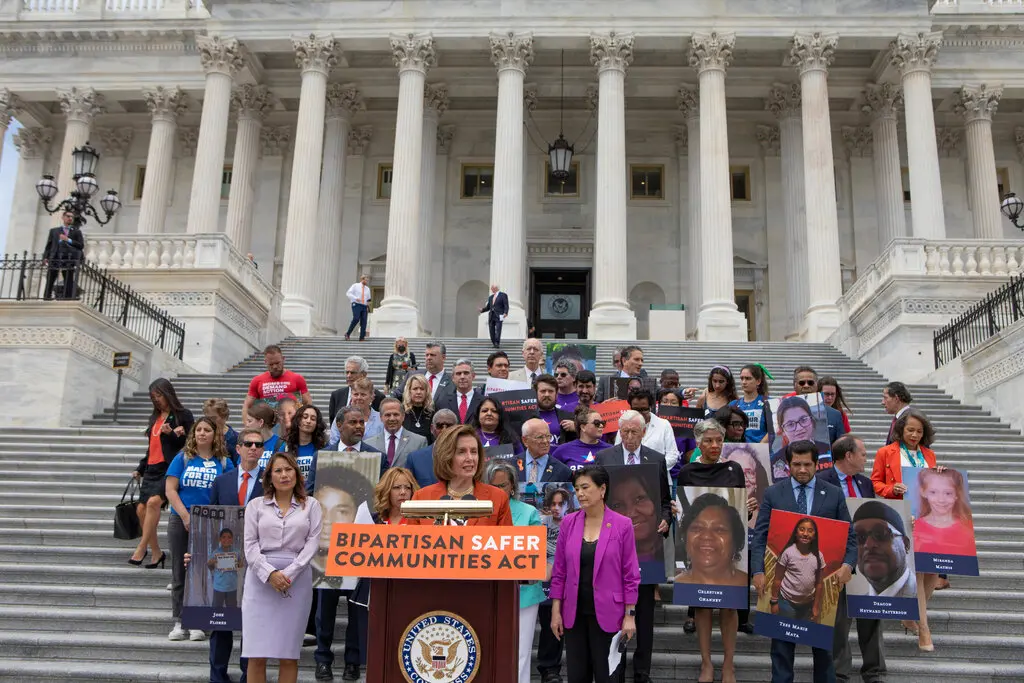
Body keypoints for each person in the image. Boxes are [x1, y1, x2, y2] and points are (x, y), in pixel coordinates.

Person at [752, 441, 857, 683]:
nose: (802, 469)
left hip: (822, 589)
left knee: (824, 652)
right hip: (784, 590)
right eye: (796, 464)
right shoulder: (773, 493)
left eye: (807, 464)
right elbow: (760, 537)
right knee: (781, 650)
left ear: (816, 464)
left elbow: (850, 538)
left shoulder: (833, 493)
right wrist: (757, 570)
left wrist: (848, 566)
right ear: (788, 465)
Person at [596, 410, 671, 683]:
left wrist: (665, 519)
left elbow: (664, 499)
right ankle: (616, 668)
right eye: (625, 431)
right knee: (617, 611)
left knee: (645, 616)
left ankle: (642, 672)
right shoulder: (605, 458)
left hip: (646, 552)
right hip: (612, 548)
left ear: (643, 432)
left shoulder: (657, 459)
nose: (629, 437)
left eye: (634, 432)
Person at [549, 465, 640, 683]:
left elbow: (630, 574)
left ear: (602, 489)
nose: (580, 493)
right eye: (577, 488)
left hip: (611, 615)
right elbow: (560, 570)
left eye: (585, 487)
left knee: (608, 676)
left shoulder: (622, 525)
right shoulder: (569, 522)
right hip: (574, 614)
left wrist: (630, 615)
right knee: (577, 676)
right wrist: (555, 611)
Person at [677, 419, 752, 683]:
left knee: (730, 608)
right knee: (702, 607)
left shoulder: (734, 469)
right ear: (698, 443)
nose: (714, 445)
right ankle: (706, 663)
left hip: (727, 551)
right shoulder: (687, 471)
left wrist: (748, 508)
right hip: (701, 553)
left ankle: (728, 665)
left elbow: (740, 510)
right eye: (708, 440)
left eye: (719, 440)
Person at [242, 452, 322, 683]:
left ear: (297, 473)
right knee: (256, 654)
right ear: (269, 477)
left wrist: (288, 574)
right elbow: (249, 546)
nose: (284, 475)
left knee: (289, 654)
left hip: (296, 582)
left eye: (288, 469)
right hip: (259, 582)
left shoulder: (312, 505)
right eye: (278, 470)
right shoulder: (255, 506)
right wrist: (270, 574)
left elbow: (312, 544)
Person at [870, 407, 942, 648]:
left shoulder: (929, 455)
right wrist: (893, 489)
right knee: (918, 572)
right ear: (900, 430)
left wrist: (940, 474)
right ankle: (924, 628)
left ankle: (909, 613)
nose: (914, 434)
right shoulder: (885, 452)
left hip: (928, 517)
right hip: (901, 516)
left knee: (932, 571)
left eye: (919, 431)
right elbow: (876, 483)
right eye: (910, 429)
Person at [203, 427, 265, 683]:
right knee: (221, 623)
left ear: (262, 451)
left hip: (257, 562)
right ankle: (217, 676)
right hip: (226, 561)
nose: (253, 448)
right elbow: (207, 522)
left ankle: (247, 676)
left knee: (251, 623)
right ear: (237, 448)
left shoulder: (269, 483)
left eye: (258, 444)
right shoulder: (222, 481)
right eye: (248, 443)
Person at [166, 417, 235, 641]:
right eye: (198, 430)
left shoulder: (224, 462)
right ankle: (180, 621)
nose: (202, 433)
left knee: (205, 571)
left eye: (207, 430)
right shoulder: (183, 458)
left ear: (215, 435)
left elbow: (229, 491)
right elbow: (170, 490)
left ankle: (198, 620)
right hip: (181, 519)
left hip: (211, 522)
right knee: (180, 571)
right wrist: (186, 516)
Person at [311, 462, 377, 681]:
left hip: (355, 555)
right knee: (324, 612)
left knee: (356, 612)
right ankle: (322, 660)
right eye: (324, 509)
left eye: (340, 510)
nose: (329, 520)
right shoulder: (322, 458)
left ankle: (352, 662)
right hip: (325, 564)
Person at [484, 459, 546, 683]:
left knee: (519, 651)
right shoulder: (479, 511)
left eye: (503, 486)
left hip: (524, 593)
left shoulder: (529, 512)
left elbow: (535, 550)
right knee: (489, 647)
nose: (498, 490)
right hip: (487, 591)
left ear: (512, 487)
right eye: (493, 486)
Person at [130, 378, 193, 567]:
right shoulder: (154, 418)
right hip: (151, 469)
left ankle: (141, 548)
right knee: (141, 509)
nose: (156, 400)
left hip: (169, 469)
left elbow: (189, 445)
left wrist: (172, 434)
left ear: (168, 394)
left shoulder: (183, 415)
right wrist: (140, 468)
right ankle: (157, 552)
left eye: (159, 395)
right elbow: (151, 448)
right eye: (153, 397)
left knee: (153, 503)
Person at [406, 424, 513, 526]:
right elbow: (412, 541)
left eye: (474, 452)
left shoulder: (498, 497)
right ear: (446, 456)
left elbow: (506, 542)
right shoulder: (421, 498)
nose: (470, 458)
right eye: (461, 452)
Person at [614, 388, 680, 475]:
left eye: (644, 409)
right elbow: (617, 451)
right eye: (636, 410)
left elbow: (672, 455)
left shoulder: (664, 425)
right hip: (628, 476)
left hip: (657, 477)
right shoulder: (624, 424)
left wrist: (652, 469)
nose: (640, 413)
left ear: (650, 407)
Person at [913, 468, 975, 557]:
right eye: (933, 492)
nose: (941, 500)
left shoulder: (968, 528)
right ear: (923, 492)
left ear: (957, 494)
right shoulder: (914, 528)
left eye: (948, 493)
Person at [242, 345, 311, 423]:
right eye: (271, 364)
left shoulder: (297, 378)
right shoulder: (257, 381)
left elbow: (308, 402)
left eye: (278, 363)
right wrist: (247, 425)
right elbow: (247, 405)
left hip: (292, 426)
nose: (275, 367)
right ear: (265, 362)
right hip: (266, 427)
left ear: (283, 359)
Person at [771, 396, 831, 479]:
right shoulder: (775, 461)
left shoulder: (829, 452)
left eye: (803, 419)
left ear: (812, 420)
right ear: (783, 431)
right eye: (790, 424)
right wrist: (781, 483)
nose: (799, 428)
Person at [790, 367, 847, 446]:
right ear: (794, 386)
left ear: (816, 385)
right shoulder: (783, 412)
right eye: (802, 383)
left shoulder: (835, 415)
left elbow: (841, 447)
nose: (806, 386)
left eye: (810, 382)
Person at [365, 397, 428, 469]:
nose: (392, 418)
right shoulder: (369, 444)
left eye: (396, 414)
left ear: (403, 416)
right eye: (387, 415)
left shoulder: (419, 442)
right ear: (381, 417)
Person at [404, 409, 459, 487]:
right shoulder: (415, 458)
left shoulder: (467, 456)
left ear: (457, 429)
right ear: (432, 429)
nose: (444, 430)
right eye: (439, 426)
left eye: (449, 426)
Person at [551, 406, 613, 472]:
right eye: (596, 423)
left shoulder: (611, 450)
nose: (601, 426)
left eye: (603, 423)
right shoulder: (562, 450)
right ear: (583, 427)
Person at [327, 356, 386, 424]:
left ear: (364, 374)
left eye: (352, 373)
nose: (348, 376)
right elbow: (333, 423)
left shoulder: (379, 397)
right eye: (347, 372)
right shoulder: (336, 395)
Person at [329, 377, 383, 449]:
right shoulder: (340, 416)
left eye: (363, 395)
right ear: (351, 396)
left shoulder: (381, 419)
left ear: (372, 397)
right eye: (356, 394)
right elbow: (334, 442)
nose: (359, 398)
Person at [285, 404, 328, 493]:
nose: (308, 421)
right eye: (305, 417)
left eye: (313, 419)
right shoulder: (285, 447)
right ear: (298, 420)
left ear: (317, 424)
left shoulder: (324, 448)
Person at [42, 210, 85, 300]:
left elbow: (80, 245)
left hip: (69, 258)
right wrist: (45, 257)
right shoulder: (54, 231)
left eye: (72, 217)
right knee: (50, 277)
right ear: (63, 217)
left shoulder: (77, 232)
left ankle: (67, 297)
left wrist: (68, 239)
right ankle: (47, 297)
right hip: (55, 256)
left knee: (68, 278)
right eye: (68, 216)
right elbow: (49, 245)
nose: (70, 218)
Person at [518, 418, 573, 483]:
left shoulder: (563, 471)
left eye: (548, 436)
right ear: (525, 441)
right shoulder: (511, 465)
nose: (545, 441)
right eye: (540, 437)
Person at [820, 434, 873, 499]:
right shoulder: (821, 482)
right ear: (849, 456)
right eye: (863, 455)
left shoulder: (866, 483)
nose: (865, 460)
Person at [435, 358, 485, 424]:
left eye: (466, 373)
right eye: (458, 373)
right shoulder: (442, 402)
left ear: (473, 376)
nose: (462, 377)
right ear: (453, 378)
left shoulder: (484, 402)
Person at [732, 364, 770, 444]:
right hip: (738, 451)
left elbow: (774, 430)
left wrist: (760, 447)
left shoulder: (768, 403)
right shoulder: (733, 405)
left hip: (762, 451)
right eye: (742, 378)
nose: (744, 382)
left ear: (758, 381)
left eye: (748, 378)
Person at [534, 373, 576, 445]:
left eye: (550, 391)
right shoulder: (526, 417)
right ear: (535, 393)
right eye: (543, 391)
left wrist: (576, 429)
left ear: (556, 394)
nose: (547, 394)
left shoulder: (569, 417)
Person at [245, 403, 285, 469]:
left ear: (261, 422)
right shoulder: (245, 443)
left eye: (249, 421)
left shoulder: (281, 444)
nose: (246, 425)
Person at [400, 373, 435, 442]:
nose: (418, 392)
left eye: (422, 389)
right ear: (409, 391)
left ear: (426, 391)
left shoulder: (432, 412)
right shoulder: (401, 411)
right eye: (415, 389)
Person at [203, 398, 239, 463]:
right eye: (207, 418)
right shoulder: (200, 436)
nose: (209, 421)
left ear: (224, 417)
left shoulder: (237, 439)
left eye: (214, 418)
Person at [480, 282, 509, 348]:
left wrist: (505, 312)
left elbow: (506, 305)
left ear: (496, 288)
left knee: (498, 329)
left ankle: (497, 343)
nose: (491, 289)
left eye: (492, 288)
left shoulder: (503, 295)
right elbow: (488, 307)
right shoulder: (490, 297)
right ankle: (494, 342)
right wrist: (482, 310)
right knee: (491, 330)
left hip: (499, 315)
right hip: (491, 315)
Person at [344, 273, 371, 341]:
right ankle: (347, 334)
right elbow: (348, 293)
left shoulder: (367, 289)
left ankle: (362, 337)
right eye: (366, 280)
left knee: (364, 321)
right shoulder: (355, 286)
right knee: (356, 318)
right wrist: (356, 298)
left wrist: (368, 306)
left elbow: (369, 299)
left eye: (368, 280)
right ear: (362, 279)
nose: (367, 281)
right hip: (356, 304)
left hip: (364, 306)